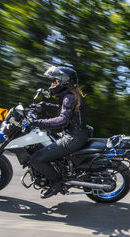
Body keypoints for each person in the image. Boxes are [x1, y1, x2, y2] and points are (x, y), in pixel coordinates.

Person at [30, 66, 88, 198]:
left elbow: (62, 120)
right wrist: (44, 105)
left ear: (63, 81)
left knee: (36, 159)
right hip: (75, 134)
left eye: (54, 81)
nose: (52, 84)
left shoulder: (70, 97)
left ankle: (57, 182)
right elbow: (63, 110)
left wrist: (38, 123)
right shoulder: (70, 96)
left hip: (73, 137)